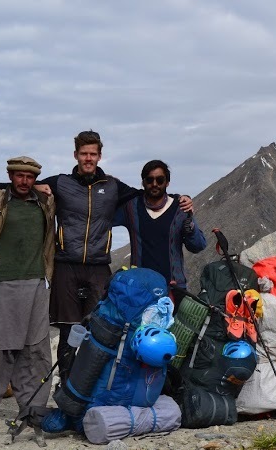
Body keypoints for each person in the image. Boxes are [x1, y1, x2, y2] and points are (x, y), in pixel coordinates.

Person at [34, 131, 192, 387]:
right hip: (66, 264)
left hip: (98, 266)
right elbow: (25, 183)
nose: (88, 158)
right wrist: (34, 185)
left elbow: (151, 195)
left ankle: (92, 385)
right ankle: (66, 382)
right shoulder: (60, 182)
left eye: (92, 154)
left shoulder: (112, 186)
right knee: (68, 329)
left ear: (99, 155)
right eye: (84, 153)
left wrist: (180, 199)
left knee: (102, 326)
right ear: (75, 155)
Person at [0, 156, 56, 426]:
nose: (24, 181)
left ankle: (33, 405)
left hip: (36, 282)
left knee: (35, 347)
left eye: (30, 177)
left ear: (35, 179)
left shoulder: (45, 202)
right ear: (10, 175)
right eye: (19, 175)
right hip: (0, 282)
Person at [115, 159, 206, 289]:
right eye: (149, 180)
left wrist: (190, 229)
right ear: (143, 182)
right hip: (140, 289)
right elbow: (102, 218)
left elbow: (198, 246)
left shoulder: (180, 208)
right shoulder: (131, 208)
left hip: (173, 288)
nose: (154, 184)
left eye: (160, 180)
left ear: (167, 182)